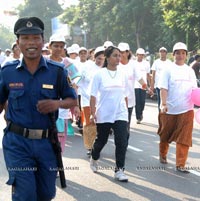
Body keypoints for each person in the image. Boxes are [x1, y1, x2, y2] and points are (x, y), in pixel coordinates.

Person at [0, 17, 77, 201]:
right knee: (25, 194)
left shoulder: (57, 71)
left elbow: (71, 99)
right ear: (18, 43)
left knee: (45, 194)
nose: (31, 43)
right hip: (17, 143)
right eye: (25, 38)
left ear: (43, 41)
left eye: (35, 37)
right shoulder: (7, 71)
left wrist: (57, 104)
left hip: (47, 143)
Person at [89, 46, 130, 182]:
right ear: (107, 57)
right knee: (102, 140)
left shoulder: (123, 74)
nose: (118, 58)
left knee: (122, 141)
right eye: (115, 55)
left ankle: (119, 170)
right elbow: (93, 96)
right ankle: (94, 157)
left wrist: (127, 114)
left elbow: (125, 94)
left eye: (119, 55)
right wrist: (92, 113)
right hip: (104, 112)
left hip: (120, 112)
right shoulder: (99, 74)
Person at [157, 42, 197, 173]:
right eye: (178, 53)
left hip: (187, 109)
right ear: (173, 54)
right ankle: (163, 153)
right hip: (169, 109)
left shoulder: (190, 71)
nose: (180, 55)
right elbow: (163, 88)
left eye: (183, 53)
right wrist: (163, 104)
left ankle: (181, 163)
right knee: (165, 135)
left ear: (186, 55)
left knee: (185, 138)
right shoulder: (168, 70)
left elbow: (195, 90)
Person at [46, 33, 80, 154]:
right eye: (56, 46)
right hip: (46, 105)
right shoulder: (43, 61)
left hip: (62, 107)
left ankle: (56, 167)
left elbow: (74, 85)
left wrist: (76, 105)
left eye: (61, 46)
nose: (59, 49)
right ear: (50, 46)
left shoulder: (68, 64)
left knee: (60, 139)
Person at [118, 42, 150, 136]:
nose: (121, 54)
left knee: (126, 124)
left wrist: (147, 87)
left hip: (129, 100)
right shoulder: (115, 64)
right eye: (119, 51)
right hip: (116, 99)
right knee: (118, 125)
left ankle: (124, 143)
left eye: (123, 52)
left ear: (128, 52)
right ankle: (120, 143)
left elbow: (139, 78)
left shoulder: (132, 65)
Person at [134, 48, 151, 124]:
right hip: (135, 85)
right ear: (136, 55)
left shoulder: (146, 63)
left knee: (142, 101)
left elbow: (148, 75)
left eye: (142, 55)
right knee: (137, 101)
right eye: (139, 55)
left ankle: (141, 113)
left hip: (144, 85)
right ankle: (138, 117)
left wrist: (150, 85)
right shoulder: (133, 63)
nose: (140, 56)